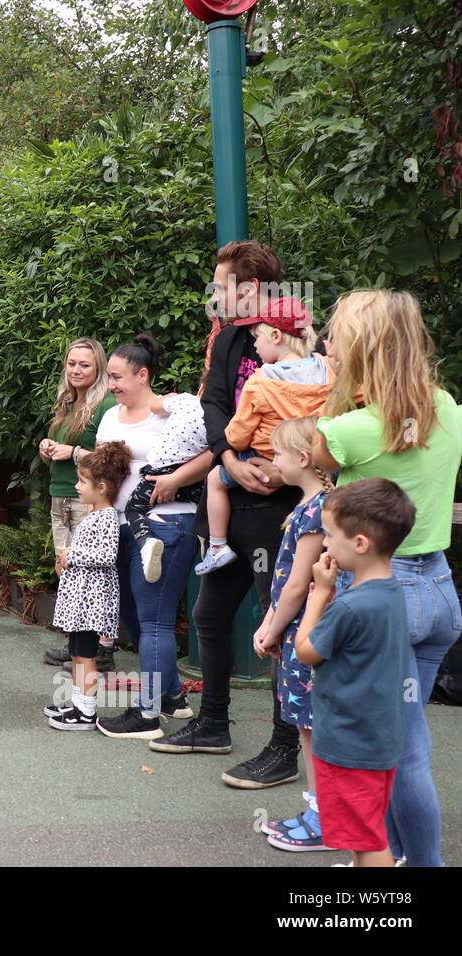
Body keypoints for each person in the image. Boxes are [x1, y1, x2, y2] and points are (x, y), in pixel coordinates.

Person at [312, 289, 462, 867]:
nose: (329, 342)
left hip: (382, 592)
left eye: (338, 336)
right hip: (438, 588)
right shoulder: (446, 407)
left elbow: (312, 454)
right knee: (401, 741)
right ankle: (396, 856)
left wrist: (335, 383)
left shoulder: (349, 428)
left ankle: (423, 866)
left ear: (362, 348)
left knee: (401, 753)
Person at [151, 241, 305, 789]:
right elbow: (214, 401)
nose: (215, 295)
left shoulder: (296, 334)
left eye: (222, 286)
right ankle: (212, 723)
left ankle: (284, 749)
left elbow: (322, 405)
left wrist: (275, 467)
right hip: (228, 495)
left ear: (253, 288)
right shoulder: (229, 337)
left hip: (281, 509)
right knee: (210, 616)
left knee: (278, 626)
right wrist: (227, 458)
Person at [93, 334, 212, 740]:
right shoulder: (110, 416)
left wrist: (177, 479)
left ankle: (147, 716)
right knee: (132, 616)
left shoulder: (173, 411)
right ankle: (174, 696)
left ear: (143, 375)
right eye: (109, 377)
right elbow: (102, 473)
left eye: (117, 376)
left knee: (155, 621)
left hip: (168, 525)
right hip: (123, 526)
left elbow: (216, 449)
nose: (111, 384)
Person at [294, 479, 416, 867]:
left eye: (330, 536)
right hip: (376, 740)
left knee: (368, 841)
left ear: (360, 543)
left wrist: (317, 595)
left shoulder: (351, 607)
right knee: (366, 834)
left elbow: (305, 651)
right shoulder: (390, 592)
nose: (325, 544)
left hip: (349, 744)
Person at [197, 298, 329, 574]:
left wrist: (232, 446)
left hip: (262, 457)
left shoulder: (260, 381)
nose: (255, 345)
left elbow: (238, 433)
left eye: (258, 337)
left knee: (214, 480)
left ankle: (217, 546)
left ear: (276, 336)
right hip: (311, 459)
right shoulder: (325, 370)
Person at [250, 417, 332, 851]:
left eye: (278, 453)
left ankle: (325, 819)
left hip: (304, 630)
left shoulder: (317, 509)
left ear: (303, 459)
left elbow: (299, 583)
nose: (273, 460)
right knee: (305, 724)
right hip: (298, 629)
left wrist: (269, 627)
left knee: (311, 725)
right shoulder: (311, 505)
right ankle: (320, 812)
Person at [38, 338, 117, 669]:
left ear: (97, 367)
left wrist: (72, 453)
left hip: (86, 498)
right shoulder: (68, 401)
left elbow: (111, 460)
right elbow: (62, 452)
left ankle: (102, 650)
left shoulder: (106, 404)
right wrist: (47, 448)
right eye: (72, 364)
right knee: (66, 568)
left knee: (89, 573)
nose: (76, 370)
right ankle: (77, 644)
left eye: (84, 364)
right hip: (59, 492)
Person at [43, 442, 130, 730]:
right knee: (78, 653)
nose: (78, 487)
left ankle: (87, 711)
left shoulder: (106, 517)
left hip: (92, 602)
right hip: (82, 600)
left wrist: (72, 555)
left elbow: (107, 555)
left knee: (87, 655)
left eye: (82, 481)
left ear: (102, 487)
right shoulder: (94, 514)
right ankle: (79, 703)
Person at [123, 390, 207, 583]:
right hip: (192, 479)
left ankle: (147, 542)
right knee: (207, 497)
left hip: (159, 474)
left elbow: (154, 406)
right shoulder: (222, 416)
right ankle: (207, 534)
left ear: (201, 389)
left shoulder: (185, 400)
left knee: (133, 508)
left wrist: (168, 398)